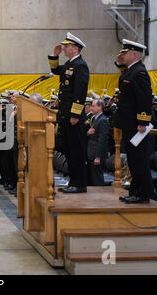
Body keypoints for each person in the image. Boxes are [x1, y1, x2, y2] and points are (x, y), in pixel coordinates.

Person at [48, 32, 89, 193]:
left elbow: (80, 93)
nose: (64, 48)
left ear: (75, 48)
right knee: (69, 151)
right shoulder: (70, 64)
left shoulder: (80, 65)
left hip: (73, 117)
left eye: (66, 46)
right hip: (65, 115)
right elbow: (57, 70)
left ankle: (79, 184)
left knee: (76, 150)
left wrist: (75, 115)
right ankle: (73, 181)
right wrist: (54, 55)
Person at [114, 39, 153, 204]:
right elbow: (124, 81)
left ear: (134, 54)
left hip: (136, 125)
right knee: (133, 159)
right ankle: (135, 190)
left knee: (138, 159)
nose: (123, 55)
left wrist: (143, 122)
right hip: (129, 123)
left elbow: (144, 99)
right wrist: (120, 63)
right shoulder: (131, 71)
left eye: (125, 53)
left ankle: (142, 193)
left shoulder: (140, 73)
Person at [86, 99, 110, 186]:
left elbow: (102, 140)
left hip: (96, 153)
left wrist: (98, 157)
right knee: (92, 177)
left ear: (100, 107)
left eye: (93, 106)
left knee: (97, 178)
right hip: (91, 152)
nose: (91, 108)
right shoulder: (95, 118)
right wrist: (88, 133)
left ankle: (100, 196)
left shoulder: (103, 120)